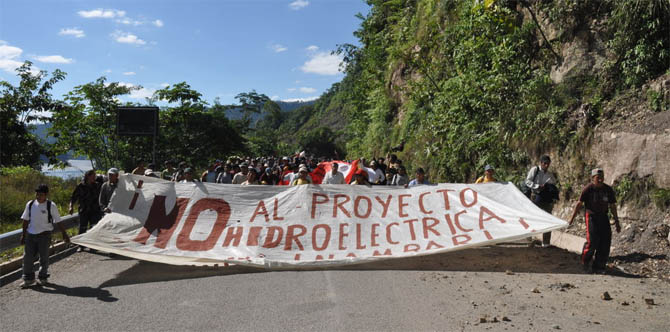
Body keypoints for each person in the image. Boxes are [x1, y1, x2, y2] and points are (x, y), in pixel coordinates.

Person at [568, 168, 621, 274]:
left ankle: (599, 266)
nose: (600, 180)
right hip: (591, 217)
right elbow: (579, 204)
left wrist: (617, 221)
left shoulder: (608, 190)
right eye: (598, 178)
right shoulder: (588, 189)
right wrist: (571, 219)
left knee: (605, 241)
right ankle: (585, 262)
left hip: (603, 217)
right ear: (593, 178)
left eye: (602, 177)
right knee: (592, 241)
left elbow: (612, 206)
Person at [20, 184, 70, 288]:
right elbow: (25, 220)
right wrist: (23, 235)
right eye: (37, 194)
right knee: (27, 257)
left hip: (44, 235)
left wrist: (64, 234)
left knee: (44, 257)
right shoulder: (30, 204)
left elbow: (58, 221)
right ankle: (29, 279)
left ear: (46, 195)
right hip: (31, 235)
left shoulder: (51, 205)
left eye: (41, 194)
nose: (38, 197)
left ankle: (42, 277)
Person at [525, 155, 557, 247]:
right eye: (545, 163)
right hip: (535, 196)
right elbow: (527, 181)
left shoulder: (549, 174)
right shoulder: (535, 170)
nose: (546, 165)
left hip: (546, 198)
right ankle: (529, 240)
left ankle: (546, 243)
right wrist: (537, 186)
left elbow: (553, 183)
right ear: (541, 163)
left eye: (548, 164)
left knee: (548, 219)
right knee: (532, 218)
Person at [69, 170, 102, 246]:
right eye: (93, 176)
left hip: (94, 211)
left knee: (93, 228)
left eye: (95, 176)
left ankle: (92, 245)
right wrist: (71, 207)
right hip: (84, 210)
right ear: (88, 176)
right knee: (82, 228)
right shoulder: (80, 186)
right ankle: (81, 245)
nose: (94, 177)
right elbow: (73, 197)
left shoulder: (97, 185)